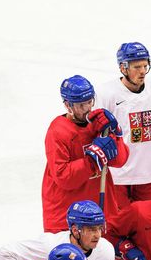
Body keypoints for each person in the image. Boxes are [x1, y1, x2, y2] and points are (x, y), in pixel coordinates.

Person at [93, 42, 151, 219]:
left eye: (145, 66)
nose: (143, 71)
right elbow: (96, 130)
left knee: (149, 223)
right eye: (137, 67)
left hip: (149, 173)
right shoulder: (106, 93)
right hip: (117, 175)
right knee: (117, 224)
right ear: (123, 68)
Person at [40, 75, 130, 232]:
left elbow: (120, 160)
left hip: (100, 212)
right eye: (81, 105)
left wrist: (116, 133)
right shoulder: (57, 131)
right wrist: (91, 160)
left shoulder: (98, 123)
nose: (88, 108)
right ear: (68, 105)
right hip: (66, 217)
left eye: (90, 102)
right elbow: (63, 177)